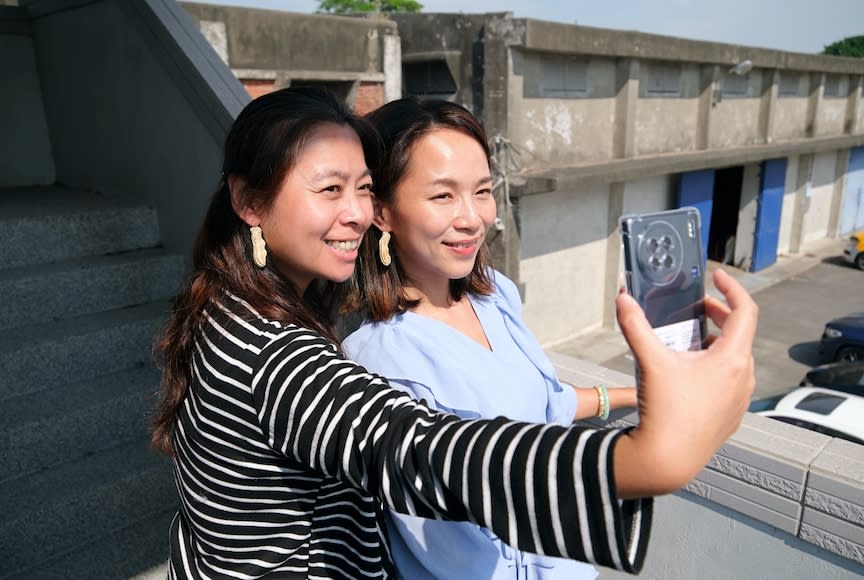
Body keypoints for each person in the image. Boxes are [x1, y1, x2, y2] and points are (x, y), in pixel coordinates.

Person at [150, 86, 758, 579]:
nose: (357, 211)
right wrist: (652, 458)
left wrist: (631, 398)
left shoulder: (234, 302)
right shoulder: (278, 351)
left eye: (363, 187)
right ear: (249, 201)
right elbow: (414, 448)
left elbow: (531, 401)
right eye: (329, 188)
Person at [341, 97, 638, 579]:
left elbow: (542, 404)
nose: (472, 218)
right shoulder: (379, 360)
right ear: (382, 212)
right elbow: (462, 525)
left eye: (481, 191)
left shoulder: (494, 295)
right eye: (443, 196)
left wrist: (630, 395)